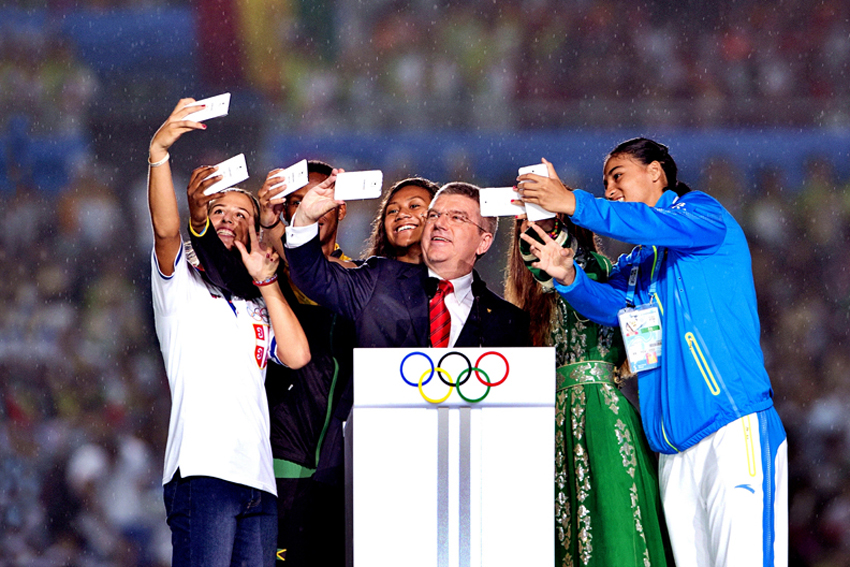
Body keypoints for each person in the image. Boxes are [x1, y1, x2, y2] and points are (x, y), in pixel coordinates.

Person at [517, 138, 787, 567]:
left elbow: (649, 223)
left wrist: (573, 202)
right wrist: (568, 276)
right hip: (672, 448)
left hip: (731, 425)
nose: (610, 190)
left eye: (617, 176)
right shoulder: (641, 262)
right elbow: (613, 308)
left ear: (656, 173)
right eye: (605, 183)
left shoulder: (703, 215)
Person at [147, 98, 310, 567]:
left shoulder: (259, 301)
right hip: (203, 472)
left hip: (258, 480)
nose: (229, 220)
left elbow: (297, 355)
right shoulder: (180, 283)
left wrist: (268, 283)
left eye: (242, 214)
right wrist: (159, 154)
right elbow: (166, 232)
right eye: (220, 210)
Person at [188, 160, 356, 566]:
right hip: (280, 459)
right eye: (296, 202)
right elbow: (223, 266)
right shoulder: (264, 273)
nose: (309, 209)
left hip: (342, 465)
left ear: (341, 209)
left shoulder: (361, 278)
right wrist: (259, 225)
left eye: (318, 200)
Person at [505, 215, 673, 567]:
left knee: (613, 522)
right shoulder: (526, 293)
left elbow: (580, 276)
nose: (534, 233)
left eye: (544, 219)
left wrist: (563, 263)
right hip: (546, 421)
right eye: (525, 224)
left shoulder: (599, 271)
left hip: (602, 414)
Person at [286, 177, 531, 349]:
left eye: (457, 217)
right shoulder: (378, 279)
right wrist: (305, 218)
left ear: (483, 242)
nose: (440, 223)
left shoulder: (508, 321)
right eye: (434, 215)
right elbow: (311, 275)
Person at [364, 176, 439, 263]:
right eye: (393, 211)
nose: (401, 214)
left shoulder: (451, 270)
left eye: (414, 206)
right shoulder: (369, 270)